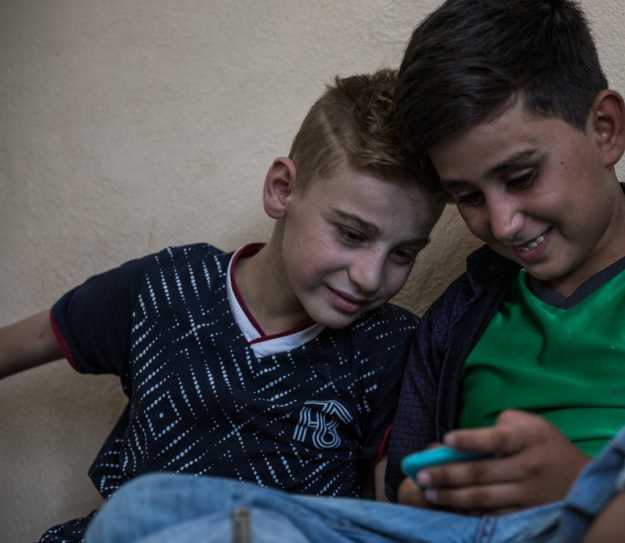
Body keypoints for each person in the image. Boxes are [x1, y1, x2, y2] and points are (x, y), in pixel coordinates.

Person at [83, 0, 625, 541]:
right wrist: (429, 488)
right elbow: (403, 493)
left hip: (607, 518)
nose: (500, 224)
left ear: (604, 128)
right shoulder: (459, 314)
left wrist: (585, 482)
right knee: (147, 508)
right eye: (466, 196)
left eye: (522, 176)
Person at [0, 69, 445, 542]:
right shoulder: (167, 287)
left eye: (404, 254)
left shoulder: (390, 345)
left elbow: (392, 510)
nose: (370, 277)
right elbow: (36, 339)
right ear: (281, 190)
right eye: (352, 234)